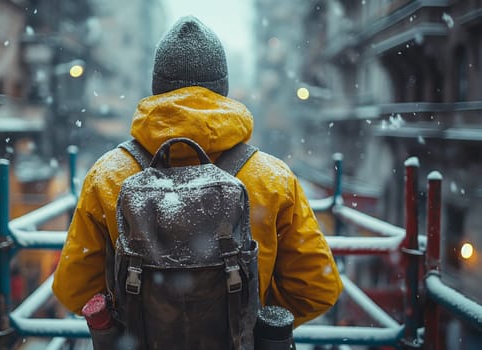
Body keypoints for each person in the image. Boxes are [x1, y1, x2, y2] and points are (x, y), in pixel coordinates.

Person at [52, 15, 342, 330]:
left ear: (156, 87)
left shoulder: (109, 175)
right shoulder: (271, 178)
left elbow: (74, 289)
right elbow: (317, 288)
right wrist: (247, 319)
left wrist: (139, 319)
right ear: (223, 89)